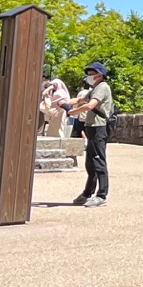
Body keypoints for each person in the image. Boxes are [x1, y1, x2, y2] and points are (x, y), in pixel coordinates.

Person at [64, 61, 115, 207]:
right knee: (90, 163)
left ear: (100, 75)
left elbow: (90, 105)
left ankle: (101, 195)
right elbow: (80, 100)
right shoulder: (95, 88)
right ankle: (87, 193)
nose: (88, 77)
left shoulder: (102, 87)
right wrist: (64, 102)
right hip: (92, 126)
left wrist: (75, 111)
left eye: (91, 74)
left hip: (99, 127)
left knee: (98, 160)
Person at [40, 68, 71, 138]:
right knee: (53, 127)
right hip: (54, 111)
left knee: (59, 127)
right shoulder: (56, 92)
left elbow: (45, 92)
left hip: (60, 111)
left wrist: (47, 91)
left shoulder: (61, 92)